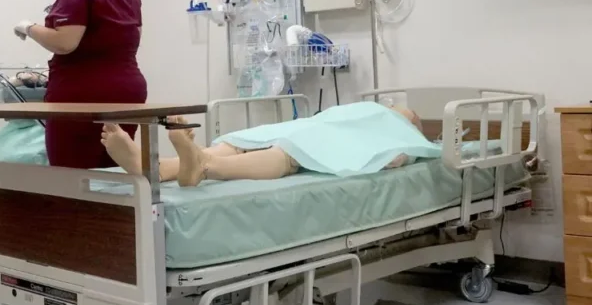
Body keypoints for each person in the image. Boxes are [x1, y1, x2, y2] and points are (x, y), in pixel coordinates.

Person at [14, 0, 146, 168]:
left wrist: (28, 27)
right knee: (117, 175)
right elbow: (132, 41)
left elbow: (64, 42)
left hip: (83, 96)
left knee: (72, 180)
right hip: (128, 92)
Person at [101, 102, 435, 187]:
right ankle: (170, 166)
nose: (400, 110)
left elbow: (396, 156)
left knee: (274, 148)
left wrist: (401, 145)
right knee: (271, 147)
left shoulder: (403, 136)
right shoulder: (370, 115)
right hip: (317, 126)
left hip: (321, 132)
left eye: (408, 114)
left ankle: (195, 162)